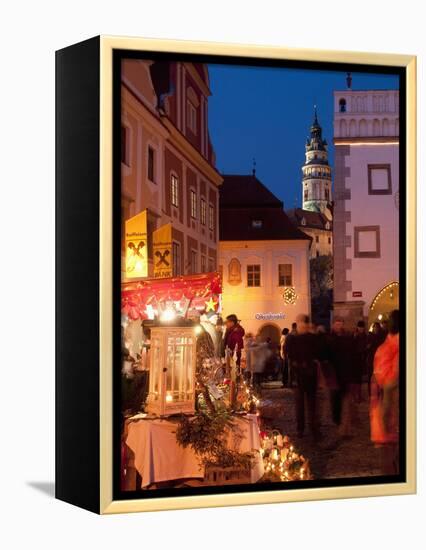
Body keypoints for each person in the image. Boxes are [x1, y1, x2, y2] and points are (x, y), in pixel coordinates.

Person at [370, 309, 399, 474]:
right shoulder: (389, 343)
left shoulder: (396, 344)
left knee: (390, 454)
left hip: (390, 400)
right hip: (384, 397)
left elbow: (393, 379)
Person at [285, 314, 320, 440]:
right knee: (300, 405)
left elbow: (317, 353)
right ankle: (301, 429)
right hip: (299, 376)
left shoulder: (312, 338)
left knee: (311, 405)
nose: (300, 325)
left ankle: (313, 428)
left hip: (309, 375)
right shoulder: (292, 338)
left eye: (301, 323)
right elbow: (288, 354)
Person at [329, 317, 356, 435]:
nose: (339, 326)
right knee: (335, 400)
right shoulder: (330, 338)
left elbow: (351, 354)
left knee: (345, 400)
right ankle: (338, 420)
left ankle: (344, 425)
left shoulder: (347, 338)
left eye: (340, 324)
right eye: (337, 324)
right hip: (334, 374)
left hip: (345, 373)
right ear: (333, 325)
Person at [353, 320, 368, 402]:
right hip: (356, 359)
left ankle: (359, 395)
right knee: (356, 379)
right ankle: (357, 395)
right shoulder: (355, 335)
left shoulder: (365, 336)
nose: (361, 329)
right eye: (360, 327)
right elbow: (353, 347)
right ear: (357, 328)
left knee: (359, 379)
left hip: (362, 359)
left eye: (362, 327)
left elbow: (365, 346)